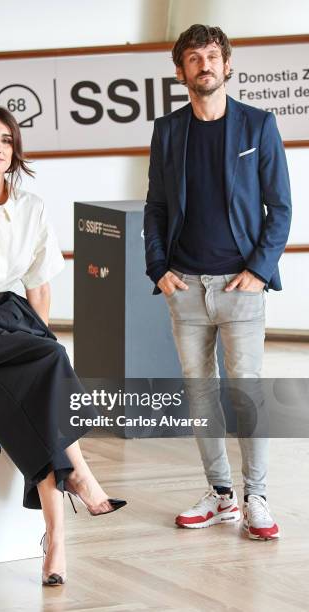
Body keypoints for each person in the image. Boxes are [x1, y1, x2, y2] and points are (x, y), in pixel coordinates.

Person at [0, 105, 126, 586]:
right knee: (51, 357)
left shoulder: (31, 206)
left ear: (16, 150)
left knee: (45, 366)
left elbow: (40, 285)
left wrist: (36, 336)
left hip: (11, 316)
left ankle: (56, 540)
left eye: (7, 141)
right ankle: (81, 475)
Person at [144, 24, 292, 540]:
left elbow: (282, 209)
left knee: (248, 393)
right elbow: (157, 208)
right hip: (184, 287)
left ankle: (257, 497)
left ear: (227, 65)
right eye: (193, 58)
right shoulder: (168, 131)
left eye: (212, 56)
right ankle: (221, 495)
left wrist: (257, 271)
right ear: (181, 70)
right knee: (201, 396)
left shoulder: (258, 125)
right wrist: (159, 268)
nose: (204, 65)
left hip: (240, 288)